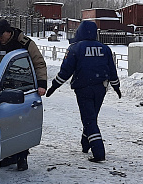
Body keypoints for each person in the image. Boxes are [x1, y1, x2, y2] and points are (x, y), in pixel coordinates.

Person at [45, 20, 120, 162]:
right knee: (91, 117)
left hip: (83, 88)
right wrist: (116, 87)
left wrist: (54, 86)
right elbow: (112, 71)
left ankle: (99, 152)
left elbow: (65, 71)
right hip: (101, 88)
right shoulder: (105, 49)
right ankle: (85, 145)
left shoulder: (75, 48)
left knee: (89, 120)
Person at [0, 19, 48, 171]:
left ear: (8, 32)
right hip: (1, 87)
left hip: (22, 86)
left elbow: (38, 63)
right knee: (5, 122)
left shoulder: (24, 43)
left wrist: (42, 84)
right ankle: (10, 153)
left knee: (21, 122)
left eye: (1, 35)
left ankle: (22, 156)